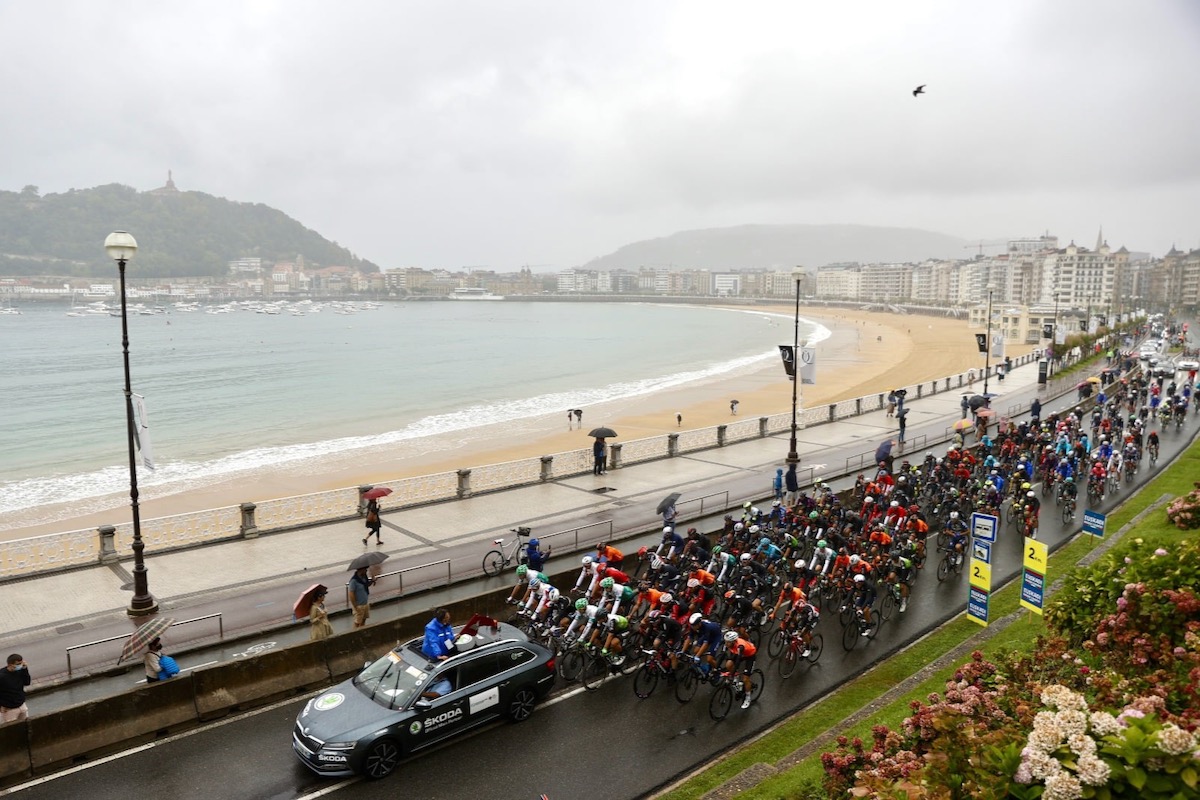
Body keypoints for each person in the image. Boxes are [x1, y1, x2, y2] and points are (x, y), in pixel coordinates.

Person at [0, 654, 30, 723]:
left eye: (21, 663)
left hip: (21, 705)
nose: (20, 665)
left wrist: (25, 669)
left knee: (26, 725)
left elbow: (27, 682)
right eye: (18, 664)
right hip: (9, 709)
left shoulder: (20, 671)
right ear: (10, 665)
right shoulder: (2, 676)